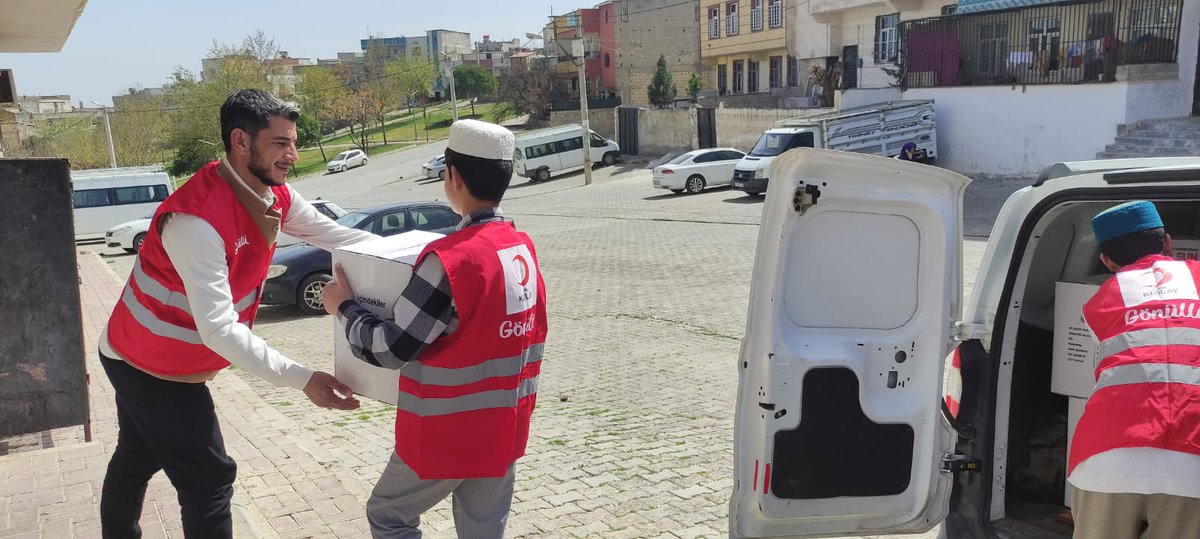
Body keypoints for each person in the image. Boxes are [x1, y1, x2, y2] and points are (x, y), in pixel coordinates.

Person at [99, 89, 369, 538]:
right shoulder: (197, 221)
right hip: (147, 365)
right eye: (280, 143)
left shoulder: (271, 194)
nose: (293, 155)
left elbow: (338, 236)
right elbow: (219, 329)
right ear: (241, 142)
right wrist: (302, 377)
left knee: (136, 456)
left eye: (293, 142)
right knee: (209, 478)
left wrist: (428, 254)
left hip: (151, 354)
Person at [322, 119, 547, 538]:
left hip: (447, 432)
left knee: (389, 515)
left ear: (453, 177)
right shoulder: (520, 247)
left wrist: (344, 307)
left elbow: (392, 348)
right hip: (503, 427)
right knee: (483, 530)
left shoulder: (448, 261)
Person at [1068, 200, 1200, 538]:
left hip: (1105, 454)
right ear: (1168, 243)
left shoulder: (1099, 301)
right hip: (1194, 459)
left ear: (1107, 261)